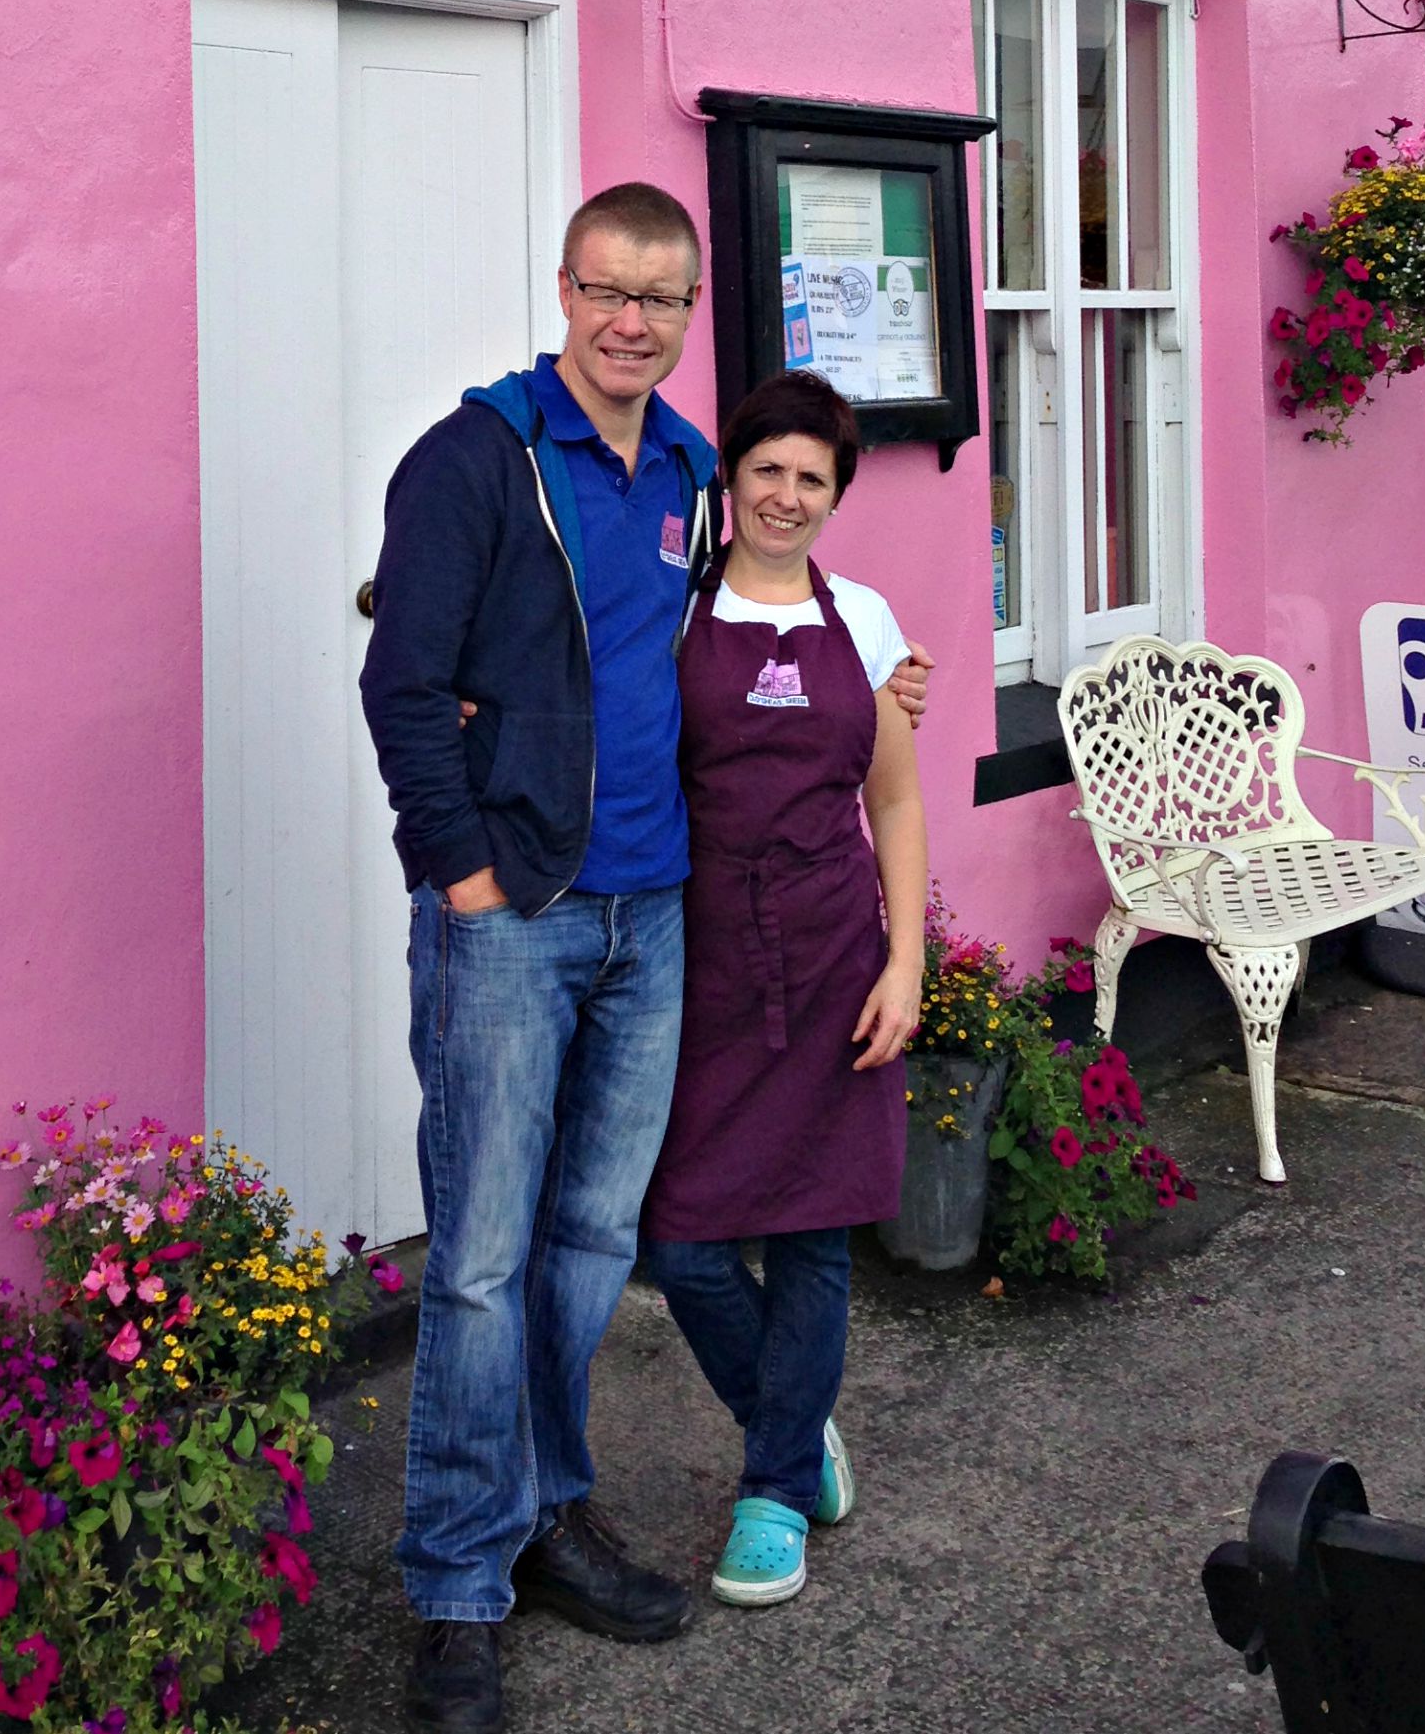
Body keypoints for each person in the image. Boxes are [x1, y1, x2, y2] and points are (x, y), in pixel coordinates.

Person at [358, 187, 929, 1734]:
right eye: (608, 291)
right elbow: (401, 682)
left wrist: (886, 664)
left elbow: (765, 626)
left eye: (662, 299)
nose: (633, 321)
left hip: (655, 916)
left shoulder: (687, 472)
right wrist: (467, 876)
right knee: (477, 1263)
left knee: (591, 1250)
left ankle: (549, 1516)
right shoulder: (477, 459)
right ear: (564, 289)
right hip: (518, 917)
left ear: (690, 315)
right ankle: (459, 1587)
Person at [640, 368, 928, 1611]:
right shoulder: (672, 609)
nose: (788, 495)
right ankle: (796, 1428)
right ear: (734, 477)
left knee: (814, 1233)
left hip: (829, 957)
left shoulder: (862, 622)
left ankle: (769, 1495)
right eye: (769, 469)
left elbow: (898, 800)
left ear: (835, 495)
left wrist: (906, 960)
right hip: (699, 962)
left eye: (813, 478)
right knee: (684, 1245)